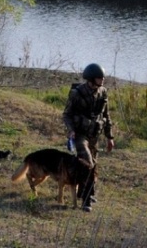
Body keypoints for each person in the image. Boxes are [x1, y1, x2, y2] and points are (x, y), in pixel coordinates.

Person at [63, 63, 115, 211]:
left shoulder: (103, 92)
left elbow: (106, 116)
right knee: (87, 162)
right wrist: (71, 130)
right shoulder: (77, 93)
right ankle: (86, 201)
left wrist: (109, 137)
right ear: (92, 79)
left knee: (94, 166)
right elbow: (66, 114)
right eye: (100, 78)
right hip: (80, 134)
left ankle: (87, 192)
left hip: (94, 135)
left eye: (103, 77)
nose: (102, 80)